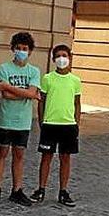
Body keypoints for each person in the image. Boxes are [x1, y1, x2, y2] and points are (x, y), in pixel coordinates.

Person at [0, 32, 41, 206]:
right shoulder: (4, 68)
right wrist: (27, 94)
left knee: (19, 154)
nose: (21, 51)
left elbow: (30, 92)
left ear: (30, 51)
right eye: (18, 48)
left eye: (24, 49)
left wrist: (10, 88)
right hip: (6, 118)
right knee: (1, 152)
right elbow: (6, 94)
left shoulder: (34, 71)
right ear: (13, 49)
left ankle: (17, 189)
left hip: (23, 120)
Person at [30, 44, 81, 207]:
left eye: (64, 56)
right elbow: (41, 101)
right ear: (53, 59)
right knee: (46, 157)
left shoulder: (75, 80)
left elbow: (77, 103)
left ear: (70, 57)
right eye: (58, 56)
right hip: (50, 124)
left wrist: (77, 123)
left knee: (65, 158)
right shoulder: (47, 78)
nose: (62, 59)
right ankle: (41, 188)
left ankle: (63, 191)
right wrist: (41, 120)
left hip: (68, 125)